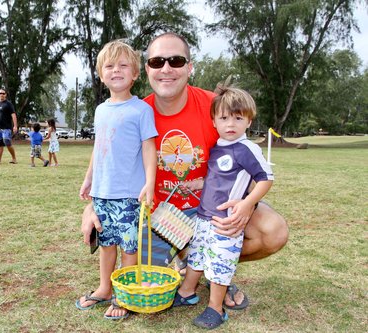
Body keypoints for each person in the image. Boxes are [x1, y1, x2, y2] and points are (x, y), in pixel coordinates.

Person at [81, 32, 288, 312]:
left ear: (190, 67)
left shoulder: (216, 107)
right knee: (143, 283)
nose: (166, 68)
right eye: (157, 61)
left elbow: (246, 157)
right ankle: (190, 262)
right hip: (158, 217)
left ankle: (216, 272)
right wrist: (92, 207)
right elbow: (107, 160)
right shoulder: (134, 112)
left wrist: (246, 206)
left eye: (176, 61)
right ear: (147, 70)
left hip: (209, 210)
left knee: (273, 231)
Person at [173, 82, 274, 329]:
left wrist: (246, 203)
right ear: (214, 121)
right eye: (224, 118)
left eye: (238, 118)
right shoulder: (217, 147)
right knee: (196, 257)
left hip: (226, 221)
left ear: (249, 121)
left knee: (220, 263)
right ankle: (187, 293)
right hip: (203, 217)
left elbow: (266, 179)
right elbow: (215, 178)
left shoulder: (247, 149)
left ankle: (216, 308)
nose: (231, 124)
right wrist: (197, 185)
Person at [75, 40, 158, 320]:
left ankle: (124, 295)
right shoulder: (100, 110)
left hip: (129, 195)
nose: (116, 70)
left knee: (128, 247)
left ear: (135, 73)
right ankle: (104, 288)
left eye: (124, 65)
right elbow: (99, 147)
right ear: (101, 74)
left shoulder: (141, 110)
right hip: (102, 192)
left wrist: (150, 182)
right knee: (106, 243)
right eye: (109, 66)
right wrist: (89, 179)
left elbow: (149, 148)